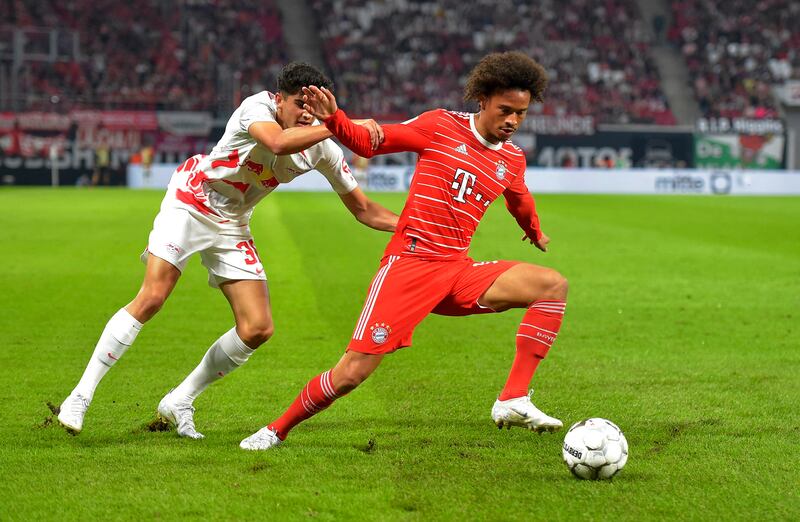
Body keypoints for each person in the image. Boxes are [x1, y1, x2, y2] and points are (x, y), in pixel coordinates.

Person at [240, 52, 569, 451]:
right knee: (351, 374)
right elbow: (370, 142)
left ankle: (512, 398)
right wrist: (335, 120)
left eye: (521, 113)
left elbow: (520, 199)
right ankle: (276, 429)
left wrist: (534, 231)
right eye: (505, 110)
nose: (513, 121)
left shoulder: (512, 158)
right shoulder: (440, 126)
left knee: (551, 285)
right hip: (409, 267)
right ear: (482, 99)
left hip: (457, 270)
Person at [58, 62, 398, 438]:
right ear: (279, 99)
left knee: (257, 328)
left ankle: (180, 399)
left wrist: (414, 226)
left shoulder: (322, 150)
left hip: (233, 220)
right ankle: (81, 395)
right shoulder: (257, 107)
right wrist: (338, 124)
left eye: (315, 105)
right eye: (300, 103)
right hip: (192, 200)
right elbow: (276, 143)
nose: (306, 112)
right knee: (153, 295)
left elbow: (364, 210)